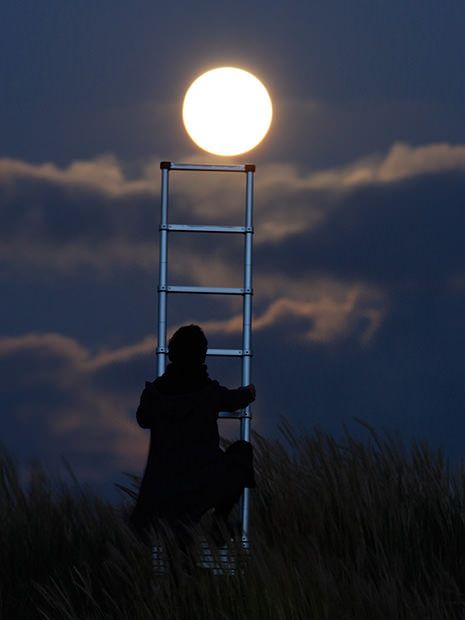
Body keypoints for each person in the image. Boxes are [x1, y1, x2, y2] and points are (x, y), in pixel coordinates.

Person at [129, 324, 256, 552]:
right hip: (204, 480)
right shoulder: (207, 392)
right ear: (201, 355)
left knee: (178, 553)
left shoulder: (154, 394)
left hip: (164, 487)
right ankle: (219, 523)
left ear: (171, 354)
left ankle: (184, 580)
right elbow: (233, 400)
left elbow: (143, 418)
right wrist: (249, 392)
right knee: (242, 452)